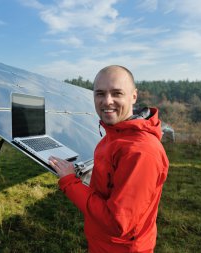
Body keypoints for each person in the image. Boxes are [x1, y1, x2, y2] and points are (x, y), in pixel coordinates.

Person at [49, 65, 169, 253]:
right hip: (104, 244)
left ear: (134, 96)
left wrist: (70, 182)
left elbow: (116, 223)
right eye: (100, 94)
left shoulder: (141, 152)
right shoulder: (117, 134)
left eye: (117, 93)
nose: (107, 101)